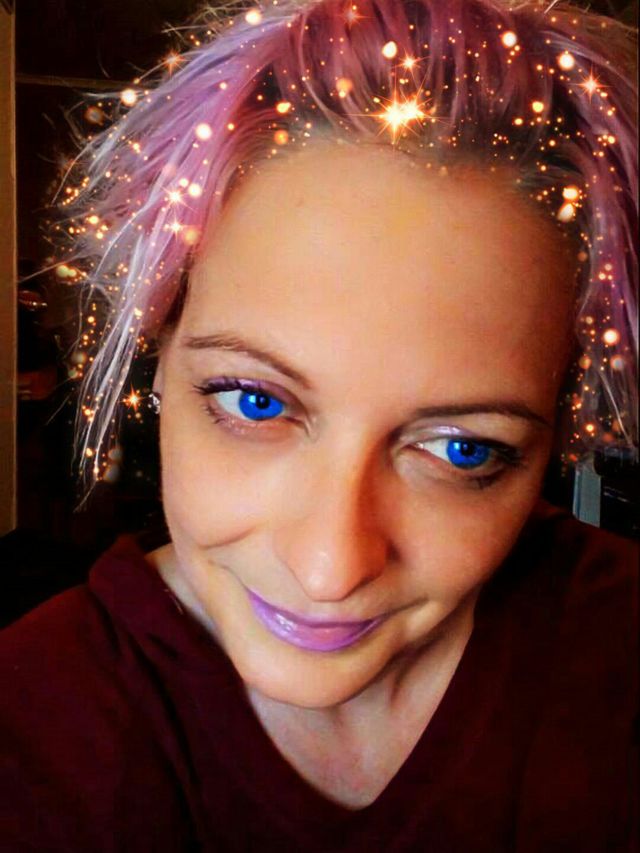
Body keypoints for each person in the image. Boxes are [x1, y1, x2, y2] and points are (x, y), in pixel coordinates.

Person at [1, 0, 637, 850]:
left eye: (463, 449)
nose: (330, 569)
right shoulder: (31, 719)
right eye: (255, 401)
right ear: (162, 343)